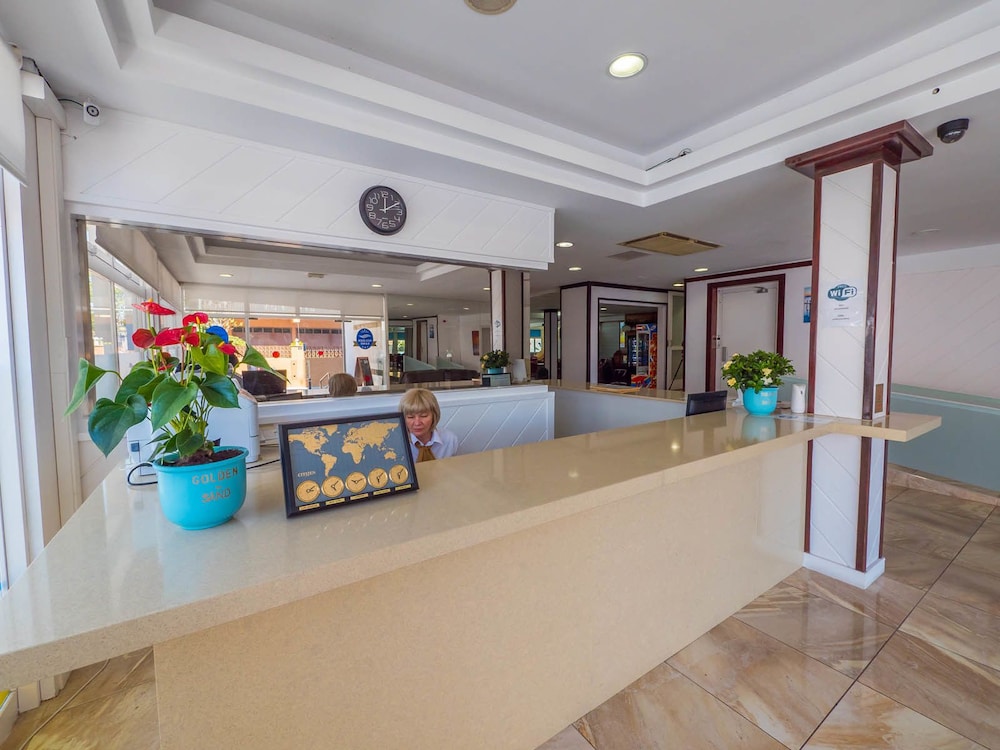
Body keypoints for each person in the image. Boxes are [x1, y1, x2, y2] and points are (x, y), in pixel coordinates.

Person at [399, 387, 458, 462]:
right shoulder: (396, 444)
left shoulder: (450, 439)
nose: (417, 423)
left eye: (423, 416)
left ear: (434, 415)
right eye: (411, 417)